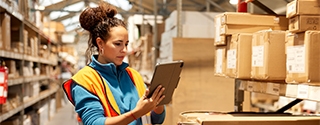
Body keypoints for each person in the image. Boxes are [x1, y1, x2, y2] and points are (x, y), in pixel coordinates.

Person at [62, 2, 166, 125]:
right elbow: (94, 122)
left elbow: (156, 120)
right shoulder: (85, 80)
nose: (125, 50)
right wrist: (136, 113)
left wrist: (157, 104)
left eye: (126, 44)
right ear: (100, 43)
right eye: (118, 44)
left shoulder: (133, 76)